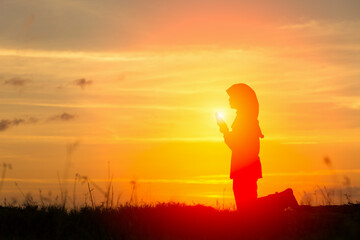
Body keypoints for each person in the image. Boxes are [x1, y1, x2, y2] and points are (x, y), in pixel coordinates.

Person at [216, 83, 264, 209]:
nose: (229, 100)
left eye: (232, 97)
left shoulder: (244, 119)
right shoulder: (246, 118)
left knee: (247, 206)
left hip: (244, 167)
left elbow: (236, 145)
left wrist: (225, 130)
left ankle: (282, 199)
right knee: (249, 205)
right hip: (246, 166)